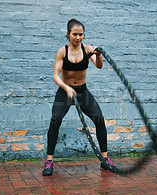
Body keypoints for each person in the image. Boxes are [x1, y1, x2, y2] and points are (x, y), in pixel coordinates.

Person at [42, 19, 115, 176]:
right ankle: (49, 161)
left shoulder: (87, 49)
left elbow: (99, 65)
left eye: (81, 34)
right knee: (55, 120)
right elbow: (55, 75)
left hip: (82, 92)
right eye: (75, 34)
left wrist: (99, 55)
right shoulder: (62, 51)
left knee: (99, 120)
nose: (78, 37)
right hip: (65, 91)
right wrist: (66, 87)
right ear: (68, 34)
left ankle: (105, 160)